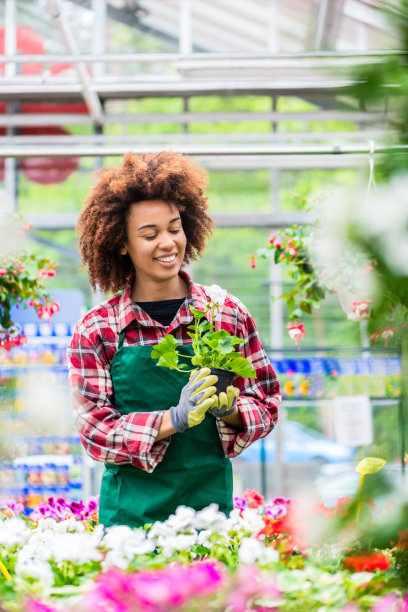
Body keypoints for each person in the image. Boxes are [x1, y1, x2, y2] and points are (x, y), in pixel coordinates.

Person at [67, 151, 281, 529]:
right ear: (121, 243)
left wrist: (226, 410)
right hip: (129, 524)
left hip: (209, 514)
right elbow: (94, 432)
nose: (167, 243)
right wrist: (173, 419)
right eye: (149, 234)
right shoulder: (97, 329)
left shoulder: (225, 314)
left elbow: (266, 403)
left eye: (174, 228)